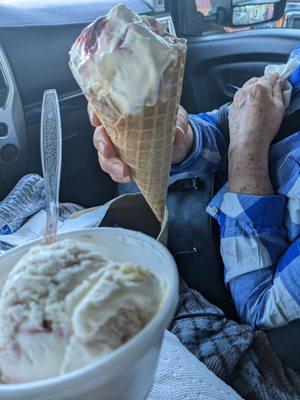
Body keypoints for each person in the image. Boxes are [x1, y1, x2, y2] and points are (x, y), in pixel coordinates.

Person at [88, 49, 300, 332]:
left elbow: (260, 305)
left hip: (215, 305)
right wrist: (180, 141)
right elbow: (235, 120)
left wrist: (247, 149)